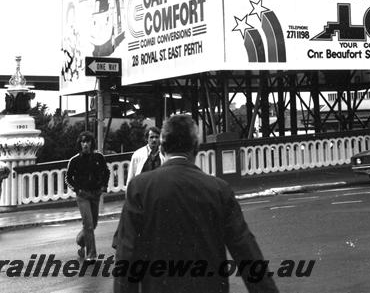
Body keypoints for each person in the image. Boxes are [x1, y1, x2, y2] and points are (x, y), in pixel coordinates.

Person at [113, 114, 279, 293]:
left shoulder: (140, 188)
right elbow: (247, 253)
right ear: (196, 147)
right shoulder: (218, 189)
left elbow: (126, 255)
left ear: (162, 148)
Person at [66, 132, 110, 261]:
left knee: (93, 224)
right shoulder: (74, 160)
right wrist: (77, 190)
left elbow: (106, 172)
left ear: (92, 143)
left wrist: (103, 187)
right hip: (83, 195)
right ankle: (91, 254)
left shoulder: (98, 157)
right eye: (83, 142)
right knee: (89, 224)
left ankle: (80, 240)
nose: (85, 144)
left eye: (88, 142)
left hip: (96, 194)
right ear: (80, 144)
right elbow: (68, 179)